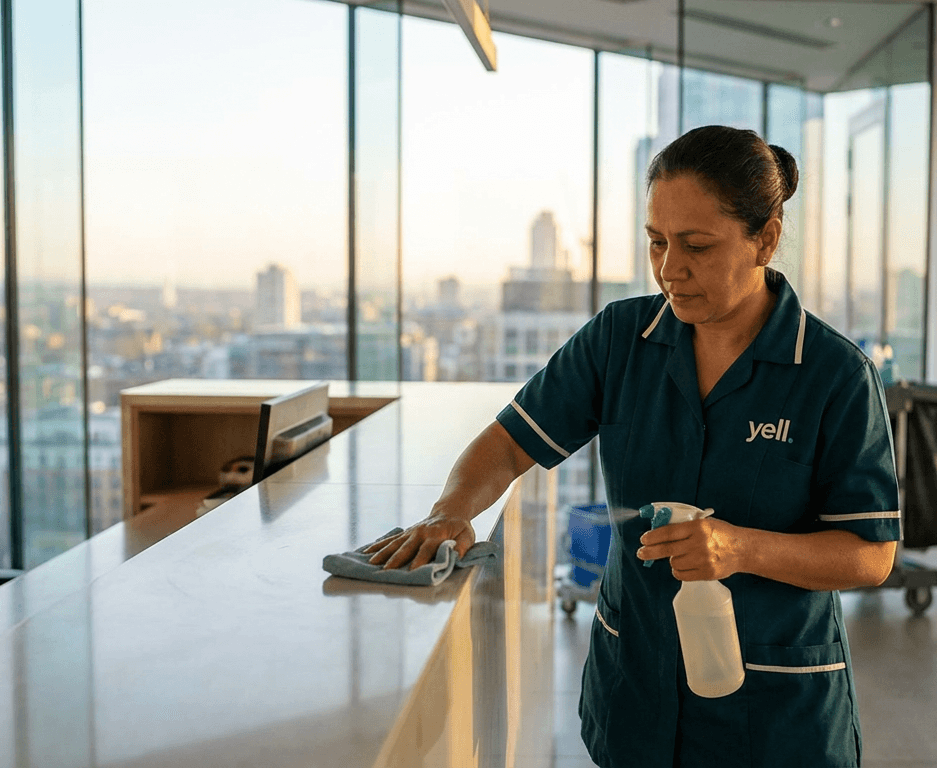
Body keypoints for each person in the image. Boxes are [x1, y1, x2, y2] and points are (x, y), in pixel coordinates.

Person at [364, 125, 900, 768]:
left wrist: (739, 548)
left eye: (696, 245)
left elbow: (871, 555)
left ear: (765, 238)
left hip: (773, 718)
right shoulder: (620, 340)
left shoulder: (835, 376)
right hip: (635, 696)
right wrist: (450, 511)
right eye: (656, 242)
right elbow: (508, 443)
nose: (671, 269)